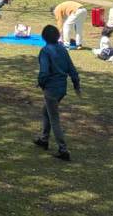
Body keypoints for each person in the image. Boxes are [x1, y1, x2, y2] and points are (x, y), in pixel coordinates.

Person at [33, 24, 81, 161]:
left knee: (54, 118)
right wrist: (76, 84)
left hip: (51, 89)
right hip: (61, 89)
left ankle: (63, 149)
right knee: (46, 111)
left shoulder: (45, 51)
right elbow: (71, 69)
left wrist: (41, 83)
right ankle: (44, 139)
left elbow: (44, 71)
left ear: (44, 37)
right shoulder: (62, 49)